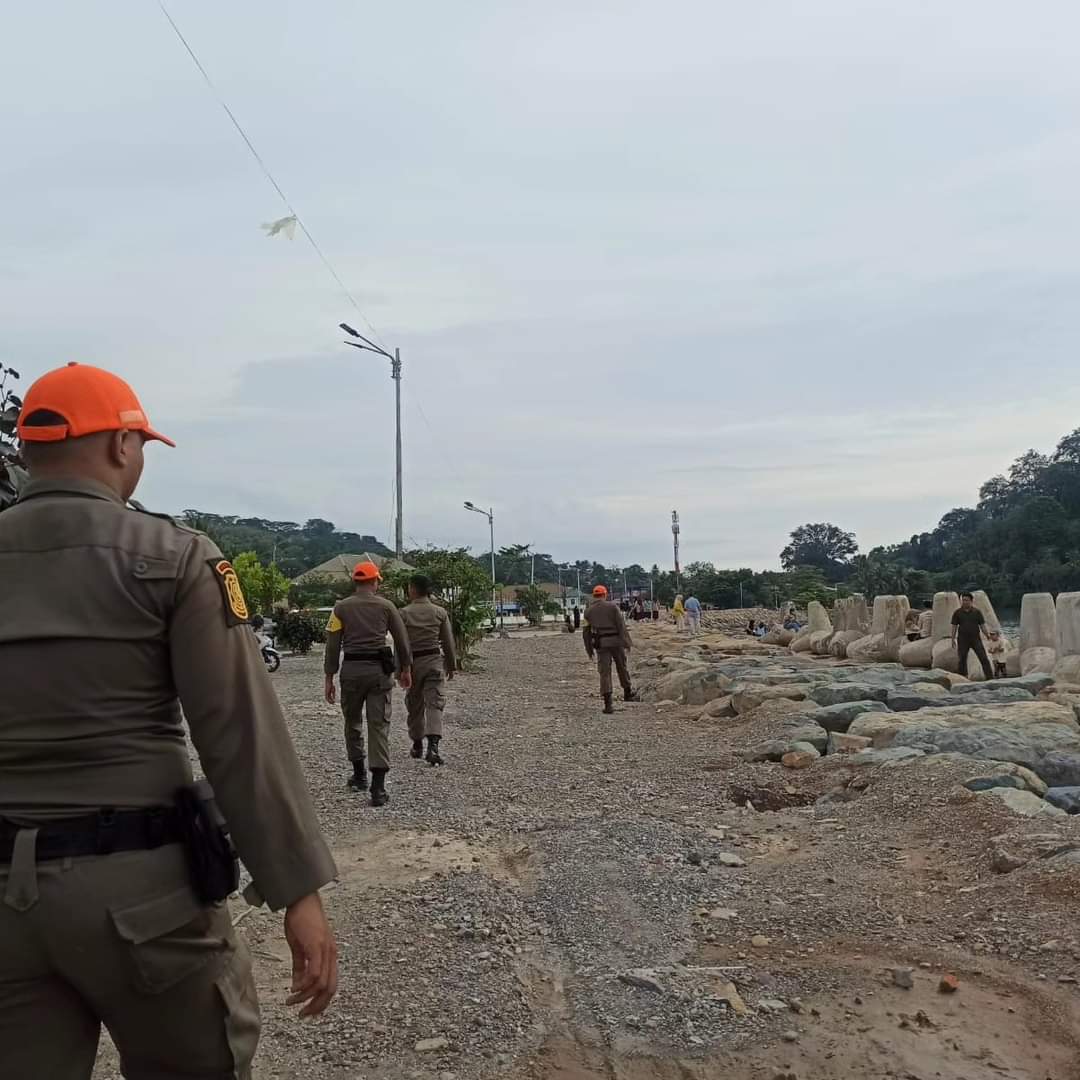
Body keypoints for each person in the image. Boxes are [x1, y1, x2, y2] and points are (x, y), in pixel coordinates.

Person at [0, 362, 338, 1079]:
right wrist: (296, 890)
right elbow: (238, 736)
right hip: (144, 901)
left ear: (28, 449)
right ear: (121, 444)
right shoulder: (175, 556)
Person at [324, 561, 413, 806]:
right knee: (378, 725)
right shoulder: (387, 606)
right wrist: (405, 669)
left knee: (352, 721)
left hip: (351, 673)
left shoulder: (340, 608)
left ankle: (359, 775)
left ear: (355, 581)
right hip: (379, 674)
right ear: (375, 582)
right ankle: (378, 788)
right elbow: (402, 640)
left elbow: (332, 645)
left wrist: (329, 678)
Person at [400, 573, 456, 767]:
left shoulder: (403, 613)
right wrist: (451, 665)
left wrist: (400, 669)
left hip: (412, 663)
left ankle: (417, 743)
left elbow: (400, 645)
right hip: (434, 661)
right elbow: (448, 642)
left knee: (414, 703)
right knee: (435, 703)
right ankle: (433, 747)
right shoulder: (440, 612)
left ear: (413, 589)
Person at [582, 584, 635, 713]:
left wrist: (589, 649)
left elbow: (586, 632)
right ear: (605, 594)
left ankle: (608, 704)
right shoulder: (612, 607)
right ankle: (627, 693)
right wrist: (627, 642)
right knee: (622, 666)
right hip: (616, 641)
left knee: (604, 672)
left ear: (594, 596)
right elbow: (621, 625)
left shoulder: (588, 611)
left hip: (601, 643)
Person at [951, 591, 994, 681]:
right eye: (963, 600)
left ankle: (990, 677)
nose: (964, 602)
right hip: (962, 639)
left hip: (975, 639)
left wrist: (987, 635)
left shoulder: (977, 612)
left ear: (971, 601)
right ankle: (962, 678)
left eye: (966, 600)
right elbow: (954, 626)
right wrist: (953, 639)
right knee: (962, 659)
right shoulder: (957, 612)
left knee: (983, 657)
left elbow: (982, 625)